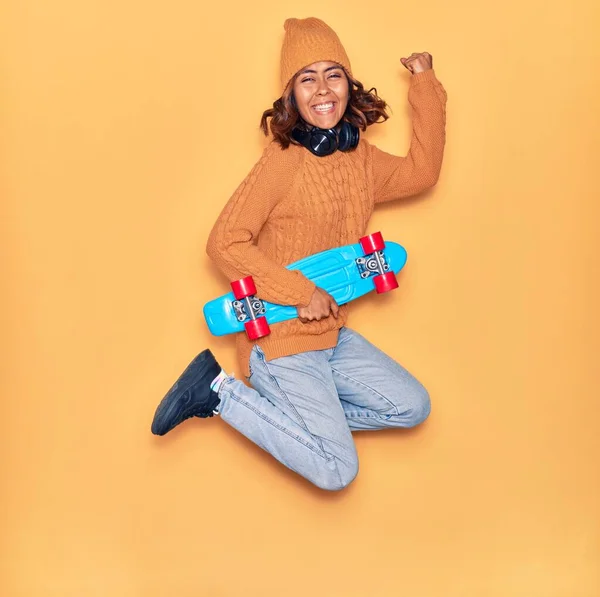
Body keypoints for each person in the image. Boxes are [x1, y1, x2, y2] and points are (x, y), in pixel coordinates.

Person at [151, 17, 447, 491]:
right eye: (307, 78)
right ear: (291, 96)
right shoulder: (282, 161)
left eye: (333, 74)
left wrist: (424, 84)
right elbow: (224, 242)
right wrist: (300, 291)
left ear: (349, 85)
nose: (323, 89)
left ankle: (306, 422)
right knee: (337, 470)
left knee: (412, 406)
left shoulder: (363, 162)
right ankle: (217, 391)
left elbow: (422, 172)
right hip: (280, 342)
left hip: (332, 337)